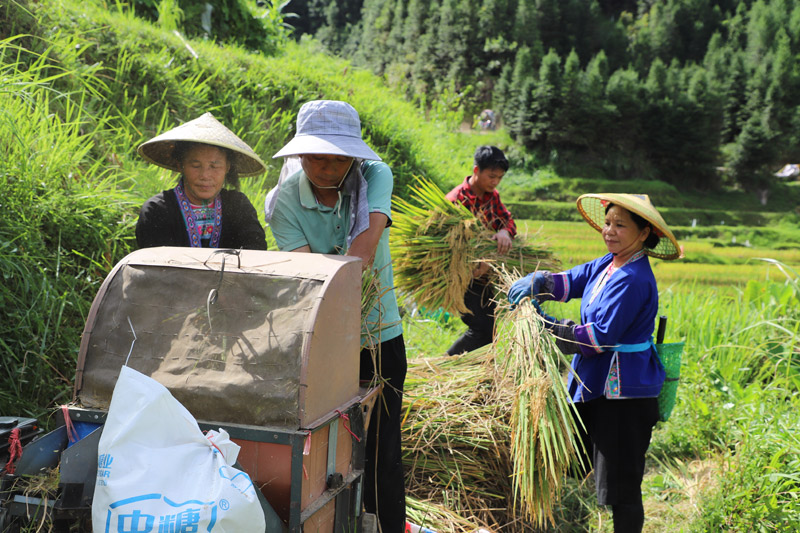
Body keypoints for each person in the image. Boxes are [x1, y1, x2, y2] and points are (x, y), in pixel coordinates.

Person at [266, 100, 406, 533]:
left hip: (378, 335)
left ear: (355, 157)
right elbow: (307, 276)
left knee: (383, 447)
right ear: (298, 154)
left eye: (339, 158)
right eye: (317, 156)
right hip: (322, 339)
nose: (328, 167)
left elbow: (362, 252)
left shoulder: (374, 176)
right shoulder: (283, 202)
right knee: (328, 449)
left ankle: (385, 525)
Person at [508, 194, 682, 533]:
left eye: (620, 225)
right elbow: (574, 280)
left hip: (624, 397)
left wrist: (546, 328)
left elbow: (599, 337)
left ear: (644, 233)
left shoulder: (633, 278)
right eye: (607, 223)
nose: (609, 231)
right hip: (596, 386)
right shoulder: (610, 263)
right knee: (572, 459)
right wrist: (540, 282)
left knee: (622, 489)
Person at [135, 112, 267, 250]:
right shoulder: (157, 210)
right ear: (181, 165)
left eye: (214, 166)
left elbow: (256, 252)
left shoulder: (238, 206)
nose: (205, 175)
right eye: (196, 166)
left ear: (227, 167)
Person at [445, 145, 516, 355]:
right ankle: (444, 366)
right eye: (491, 176)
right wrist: (477, 262)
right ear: (476, 171)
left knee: (490, 329)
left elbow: (508, 220)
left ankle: (480, 375)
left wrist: (505, 232)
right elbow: (451, 246)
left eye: (500, 178)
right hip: (461, 277)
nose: (495, 182)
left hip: (482, 277)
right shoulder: (456, 200)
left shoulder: (492, 196)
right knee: (481, 328)